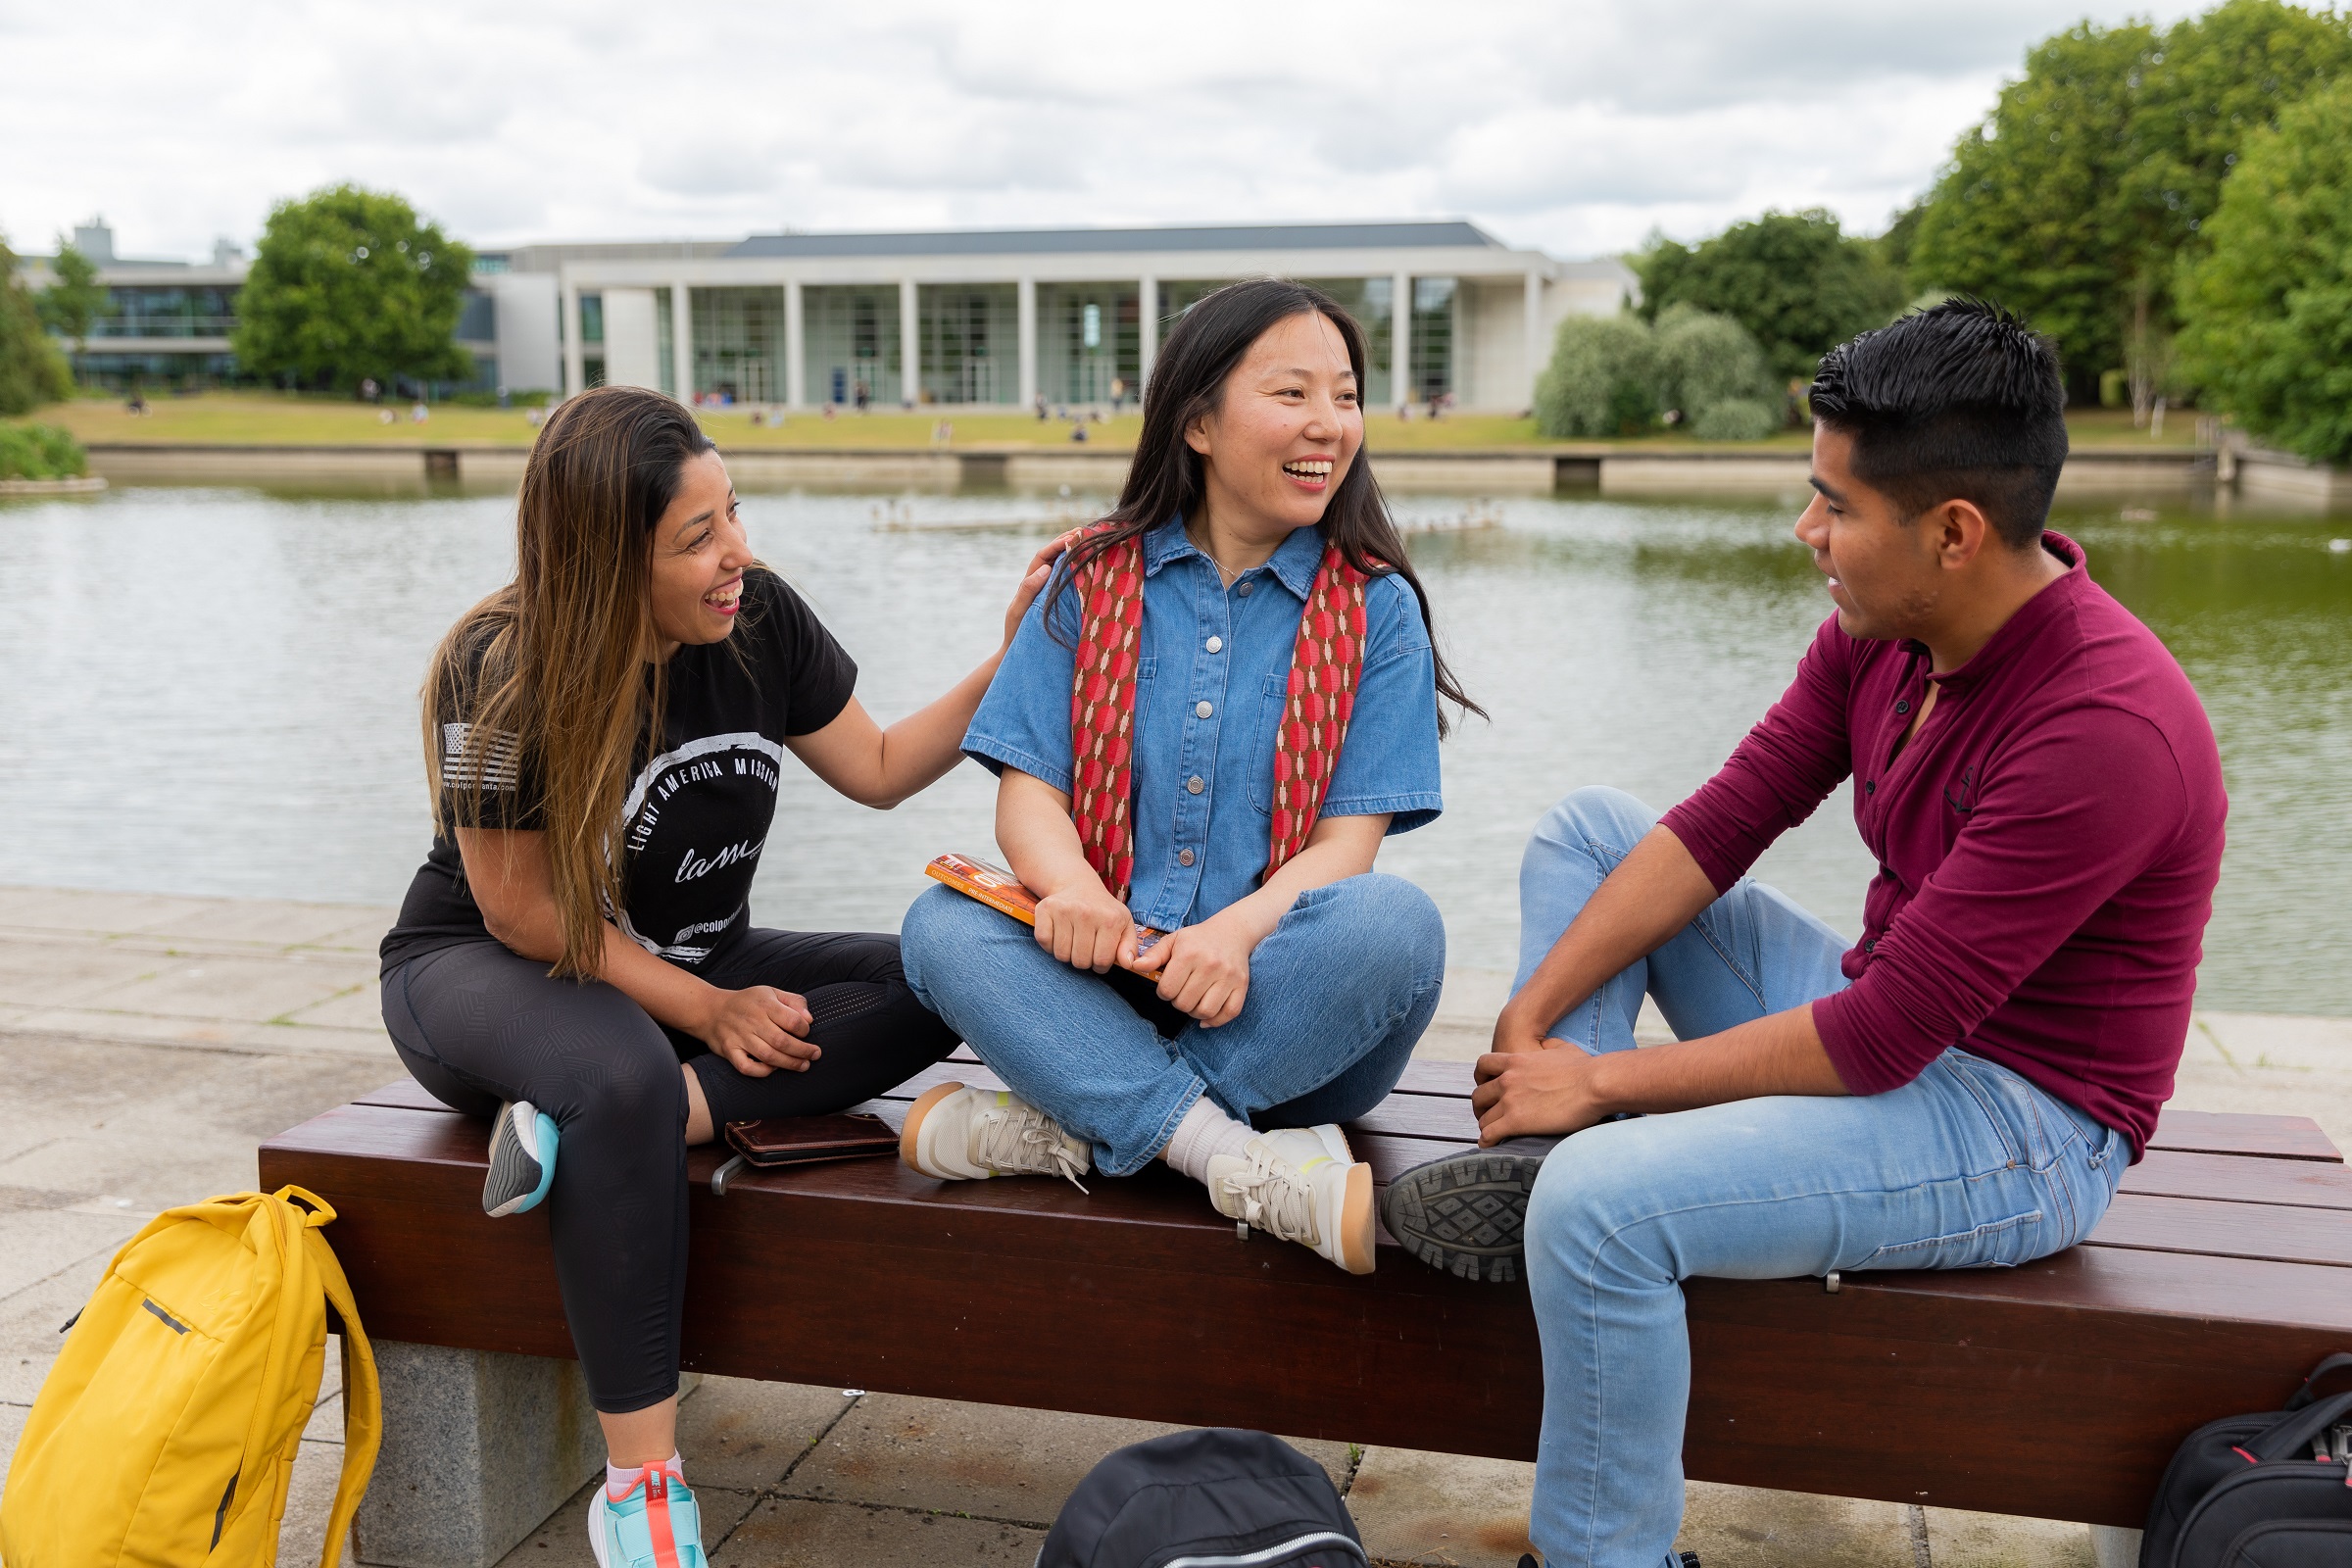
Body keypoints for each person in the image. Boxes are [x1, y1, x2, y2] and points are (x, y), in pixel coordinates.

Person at [1380, 299, 2226, 1567]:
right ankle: (1550, 1155)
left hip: (2023, 1123)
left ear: (1953, 533)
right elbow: (1722, 822)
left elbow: (1880, 1041)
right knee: (1593, 831)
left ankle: (1601, 1530)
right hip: (1889, 1011)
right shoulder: (1886, 634)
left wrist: (1599, 1076)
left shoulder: (2107, 730)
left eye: (1836, 505)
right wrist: (1534, 1020)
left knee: (1603, 1213)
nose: (1806, 530)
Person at [376, 384, 1060, 1566]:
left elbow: (887, 765)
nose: (736, 552)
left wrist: (1013, 658)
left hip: (687, 964)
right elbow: (522, 906)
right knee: (622, 1070)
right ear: (606, 557)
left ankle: (621, 1118)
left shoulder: (760, 621)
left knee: (942, 967)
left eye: (732, 513)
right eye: (697, 537)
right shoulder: (499, 666)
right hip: (485, 967)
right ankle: (641, 1486)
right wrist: (707, 1010)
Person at [897, 278, 1478, 1274]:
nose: (1328, 425)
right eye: (1293, 393)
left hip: (1277, 1012)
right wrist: (1074, 890)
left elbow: (1350, 847)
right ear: (1199, 421)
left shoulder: (1376, 611)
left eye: (1344, 395)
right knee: (938, 927)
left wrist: (1235, 934)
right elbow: (1027, 786)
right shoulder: (1090, 578)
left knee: (1400, 928)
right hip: (1094, 988)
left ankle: (1066, 1129)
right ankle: (1227, 1156)